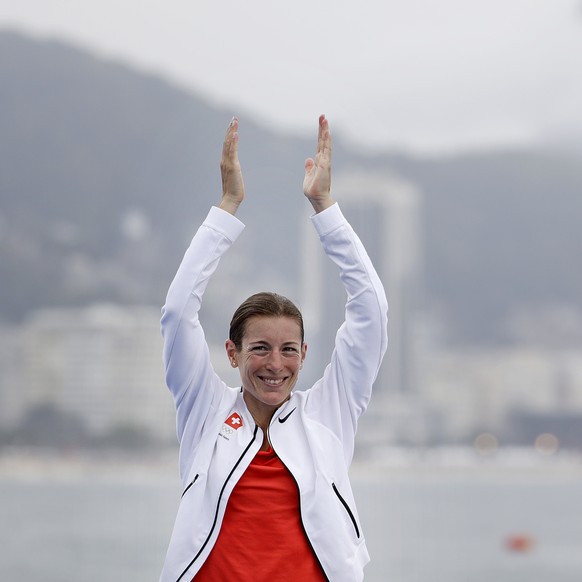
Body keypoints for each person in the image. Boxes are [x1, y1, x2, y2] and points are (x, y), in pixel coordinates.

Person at [159, 115, 388, 582]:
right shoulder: (204, 409)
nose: (275, 364)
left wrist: (325, 207)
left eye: (288, 350)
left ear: (305, 354)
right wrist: (226, 208)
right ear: (232, 352)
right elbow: (178, 312)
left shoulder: (328, 414)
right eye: (260, 348)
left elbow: (372, 310)